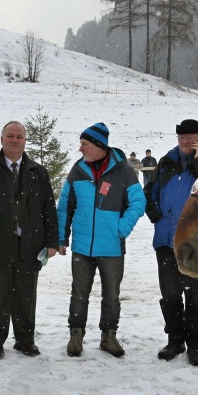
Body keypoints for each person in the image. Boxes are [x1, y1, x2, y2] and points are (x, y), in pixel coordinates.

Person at [0, 121, 59, 359]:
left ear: (25, 141)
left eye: (19, 136)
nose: (14, 140)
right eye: (10, 135)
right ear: (1, 139)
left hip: (30, 246)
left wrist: (51, 241)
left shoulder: (38, 173)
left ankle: (25, 340)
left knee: (26, 296)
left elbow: (49, 208)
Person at [57, 122, 146, 357]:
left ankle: (109, 337)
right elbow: (65, 205)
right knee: (79, 294)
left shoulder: (124, 171)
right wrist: (61, 237)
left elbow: (138, 202)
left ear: (98, 145)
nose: (80, 149)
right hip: (82, 247)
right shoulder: (77, 170)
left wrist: (121, 228)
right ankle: (76, 335)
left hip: (112, 247)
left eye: (84, 144)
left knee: (111, 295)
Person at [144, 119, 198, 366]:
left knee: (195, 296)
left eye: (192, 138)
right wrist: (157, 217)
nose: (185, 142)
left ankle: (194, 346)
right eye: (182, 138)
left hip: (195, 242)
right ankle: (174, 341)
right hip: (165, 239)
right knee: (170, 294)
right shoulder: (166, 162)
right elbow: (149, 191)